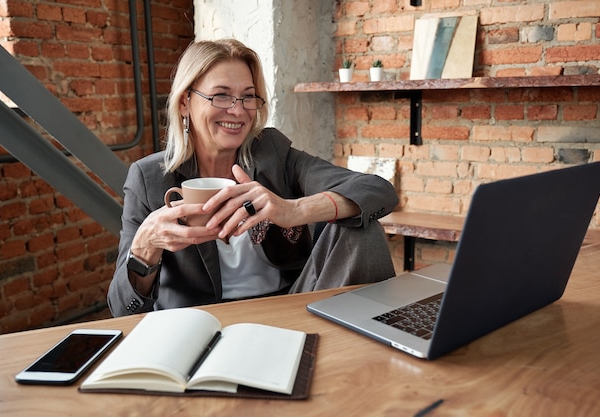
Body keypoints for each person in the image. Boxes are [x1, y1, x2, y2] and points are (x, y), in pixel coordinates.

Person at [107, 39, 398, 317]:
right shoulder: (149, 178)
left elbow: (376, 190)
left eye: (248, 96)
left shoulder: (271, 152)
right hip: (201, 322)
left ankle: (371, 347)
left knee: (361, 226)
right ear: (185, 102)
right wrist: (146, 245)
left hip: (290, 307)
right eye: (221, 95)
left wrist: (293, 210)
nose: (238, 110)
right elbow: (122, 308)